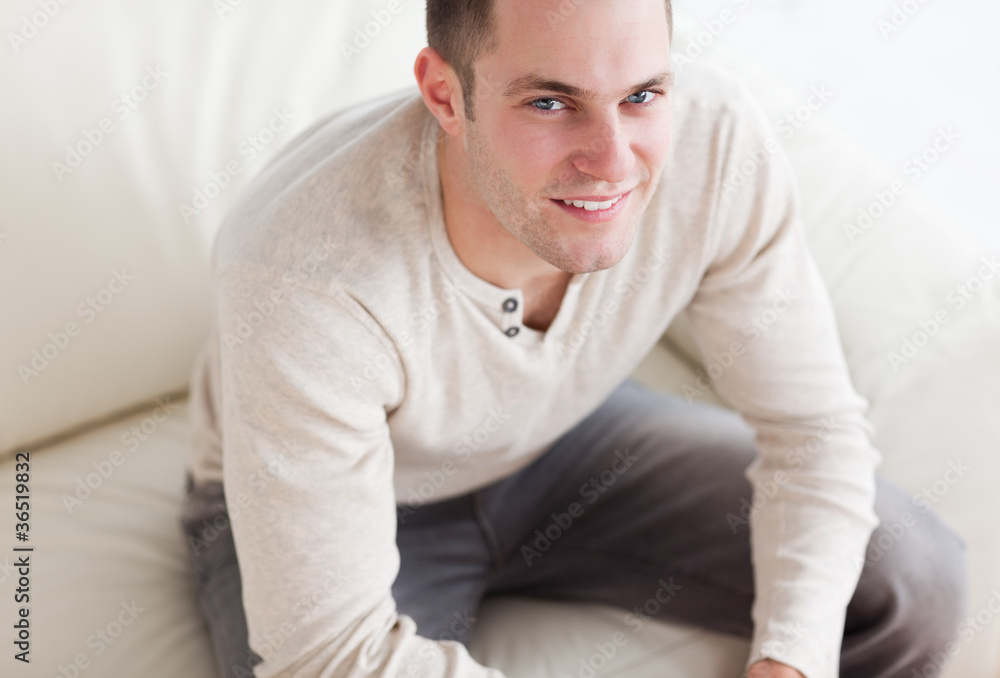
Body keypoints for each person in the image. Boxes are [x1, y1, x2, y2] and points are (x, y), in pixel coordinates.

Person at [180, 1, 967, 677]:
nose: (614, 163)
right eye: (551, 104)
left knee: (913, 578)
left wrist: (789, 661)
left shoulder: (713, 145)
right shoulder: (304, 272)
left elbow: (814, 432)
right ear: (445, 95)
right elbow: (330, 655)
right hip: (356, 491)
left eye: (642, 95)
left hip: (563, 439)